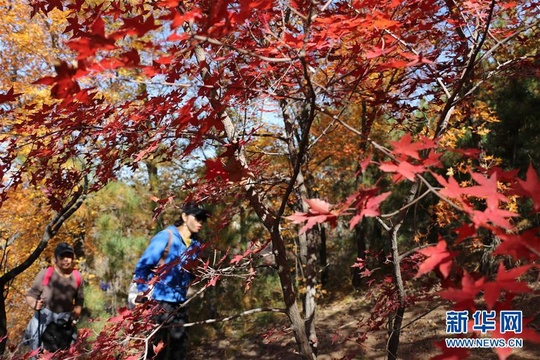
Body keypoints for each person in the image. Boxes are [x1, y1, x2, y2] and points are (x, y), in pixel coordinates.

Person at [133, 202, 210, 360]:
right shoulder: (166, 236)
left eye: (203, 219)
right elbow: (142, 267)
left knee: (179, 350)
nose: (200, 222)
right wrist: (143, 293)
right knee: (155, 353)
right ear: (184, 216)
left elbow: (190, 272)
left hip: (180, 304)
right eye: (197, 217)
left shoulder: (196, 244)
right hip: (158, 303)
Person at [23, 242, 84, 355]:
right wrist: (34, 304)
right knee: (37, 352)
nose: (66, 259)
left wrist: (76, 313)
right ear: (56, 258)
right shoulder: (45, 274)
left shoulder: (77, 277)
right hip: (44, 318)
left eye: (69, 256)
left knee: (65, 353)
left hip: (65, 320)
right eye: (62, 256)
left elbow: (80, 298)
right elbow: (31, 294)